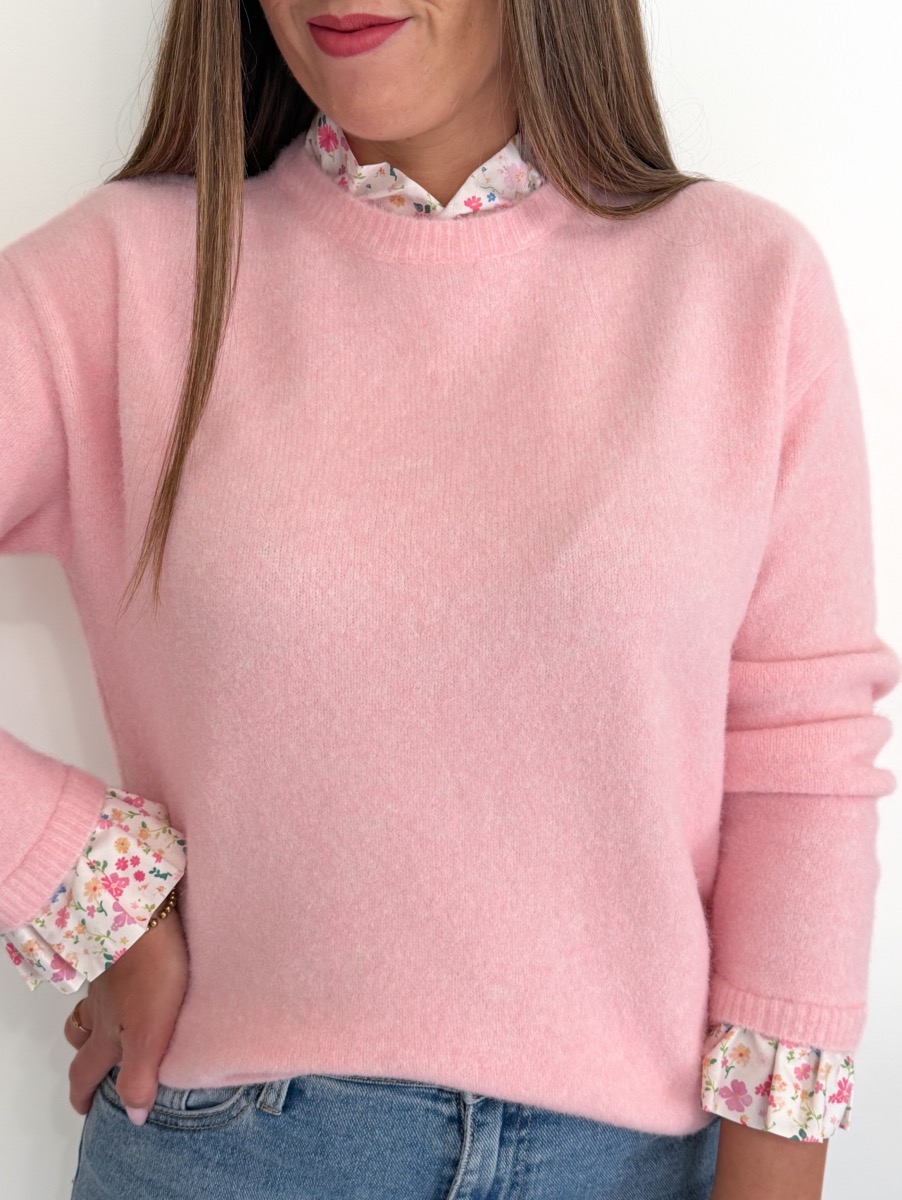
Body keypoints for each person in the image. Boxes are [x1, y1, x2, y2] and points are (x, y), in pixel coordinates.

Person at [1, 1, 897, 1197]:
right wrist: (75, 878)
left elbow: (799, 766)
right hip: (233, 1152)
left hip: (634, 1165)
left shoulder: (741, 286)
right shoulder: (122, 278)